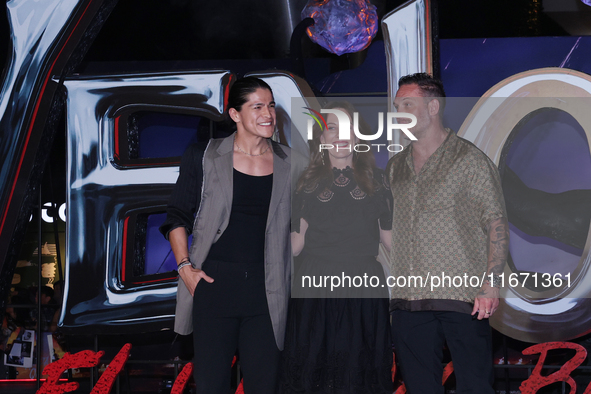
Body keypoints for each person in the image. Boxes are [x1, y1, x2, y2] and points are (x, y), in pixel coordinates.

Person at [159, 76, 295, 393]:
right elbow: (177, 215)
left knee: (265, 385)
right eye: (258, 106)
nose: (268, 114)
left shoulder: (291, 162)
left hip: (268, 290)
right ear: (235, 114)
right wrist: (185, 270)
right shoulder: (204, 156)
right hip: (213, 286)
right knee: (211, 386)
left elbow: (302, 224)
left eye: (272, 106)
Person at [386, 73, 509, 394]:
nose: (399, 111)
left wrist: (492, 283)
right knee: (419, 387)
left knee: (475, 386)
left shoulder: (471, 160)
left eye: (407, 104)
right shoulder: (395, 166)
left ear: (433, 107)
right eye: (397, 105)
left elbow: (496, 222)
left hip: (463, 298)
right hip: (408, 300)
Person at [281, 102, 393, 393]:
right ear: (322, 138)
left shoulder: (380, 181)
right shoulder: (305, 183)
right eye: (332, 128)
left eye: (348, 129)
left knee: (360, 369)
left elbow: (391, 241)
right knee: (314, 367)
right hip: (316, 285)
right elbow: (295, 245)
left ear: (357, 137)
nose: (341, 135)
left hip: (364, 284)